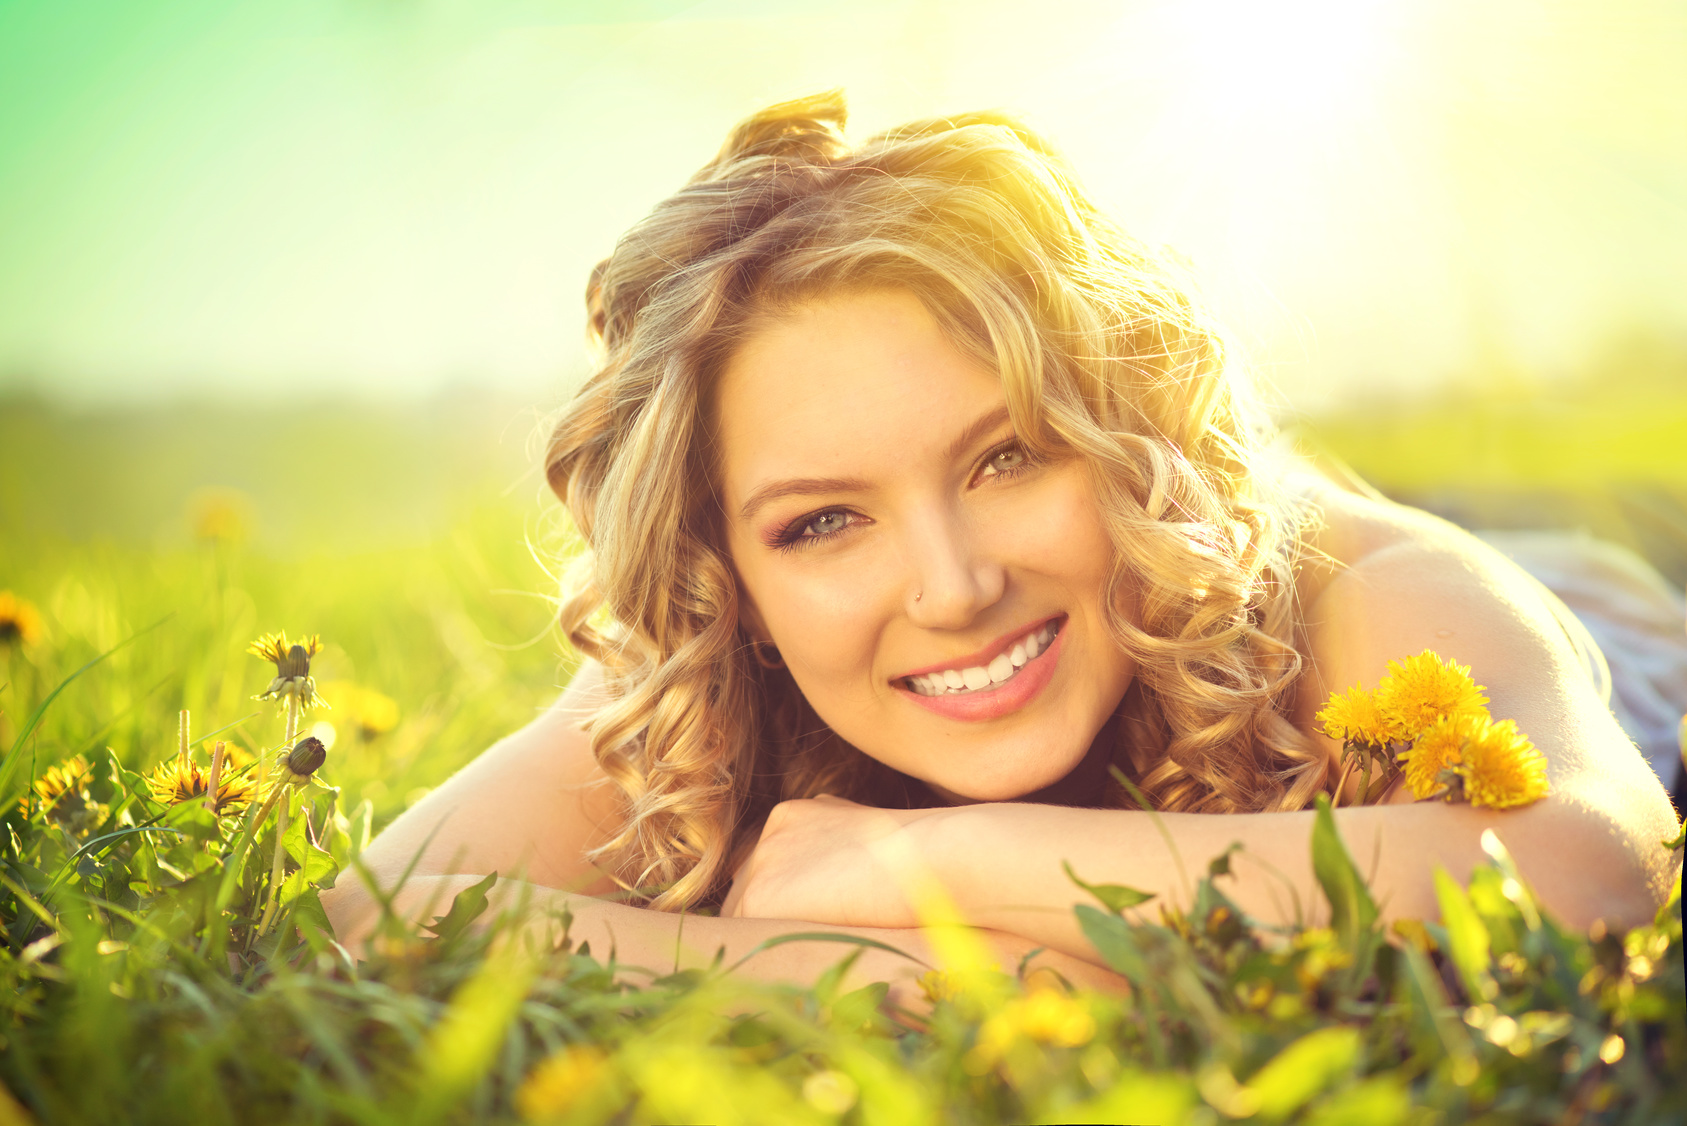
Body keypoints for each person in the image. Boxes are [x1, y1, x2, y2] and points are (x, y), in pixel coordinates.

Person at [320, 93, 1682, 996]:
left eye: (1008, 453)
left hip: (1592, 590)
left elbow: (1596, 875)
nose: (956, 586)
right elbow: (380, 914)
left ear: (1126, 438)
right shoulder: (705, 664)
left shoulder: (1361, 590)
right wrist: (815, 962)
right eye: (825, 521)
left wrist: (927, 865)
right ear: (729, 583)